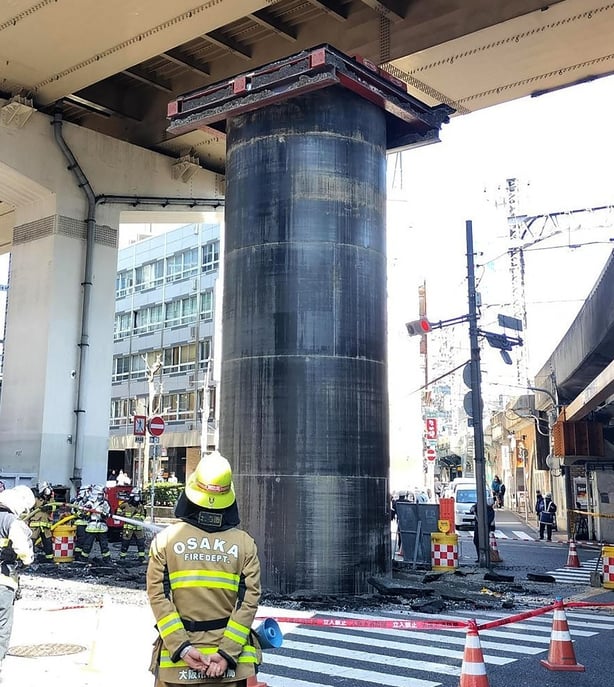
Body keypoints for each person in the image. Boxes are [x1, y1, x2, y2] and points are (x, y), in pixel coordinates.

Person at [146, 452, 262, 686]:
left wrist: (184, 648)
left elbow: (158, 597)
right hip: (230, 667)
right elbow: (249, 602)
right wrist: (226, 653)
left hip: (176, 667)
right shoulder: (244, 543)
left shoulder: (165, 540)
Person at [0, 486, 35, 674]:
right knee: (2, 623)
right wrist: (27, 559)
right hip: (2, 582)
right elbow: (24, 551)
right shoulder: (10, 521)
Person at [79, 485, 112, 563]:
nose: (101, 496)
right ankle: (83, 559)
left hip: (102, 526)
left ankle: (107, 559)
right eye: (100, 494)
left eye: (102, 494)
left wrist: (105, 514)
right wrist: (87, 510)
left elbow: (108, 512)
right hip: (92, 526)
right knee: (87, 544)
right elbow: (83, 512)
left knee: (104, 545)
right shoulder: (90, 502)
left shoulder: (105, 503)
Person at [26, 482, 55, 562]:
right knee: (31, 543)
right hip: (35, 526)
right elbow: (31, 507)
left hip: (45, 526)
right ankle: (27, 559)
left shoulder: (50, 499)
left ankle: (49, 559)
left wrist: (49, 506)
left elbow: (54, 506)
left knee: (48, 543)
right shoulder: (35, 498)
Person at [116, 488, 146, 563]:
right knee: (125, 543)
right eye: (136, 496)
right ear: (132, 496)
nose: (137, 498)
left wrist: (140, 519)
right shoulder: (126, 504)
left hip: (138, 528)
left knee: (141, 543)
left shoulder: (140, 505)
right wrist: (121, 515)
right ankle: (122, 557)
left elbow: (143, 515)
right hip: (128, 528)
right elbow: (119, 510)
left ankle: (141, 557)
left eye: (138, 496)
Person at [470, 498, 495, 562]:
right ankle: (480, 557)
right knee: (476, 541)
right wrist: (472, 509)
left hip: (485, 529)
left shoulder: (491, 511)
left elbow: (488, 522)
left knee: (484, 543)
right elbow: (472, 508)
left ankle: (486, 557)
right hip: (478, 527)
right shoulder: (479, 505)